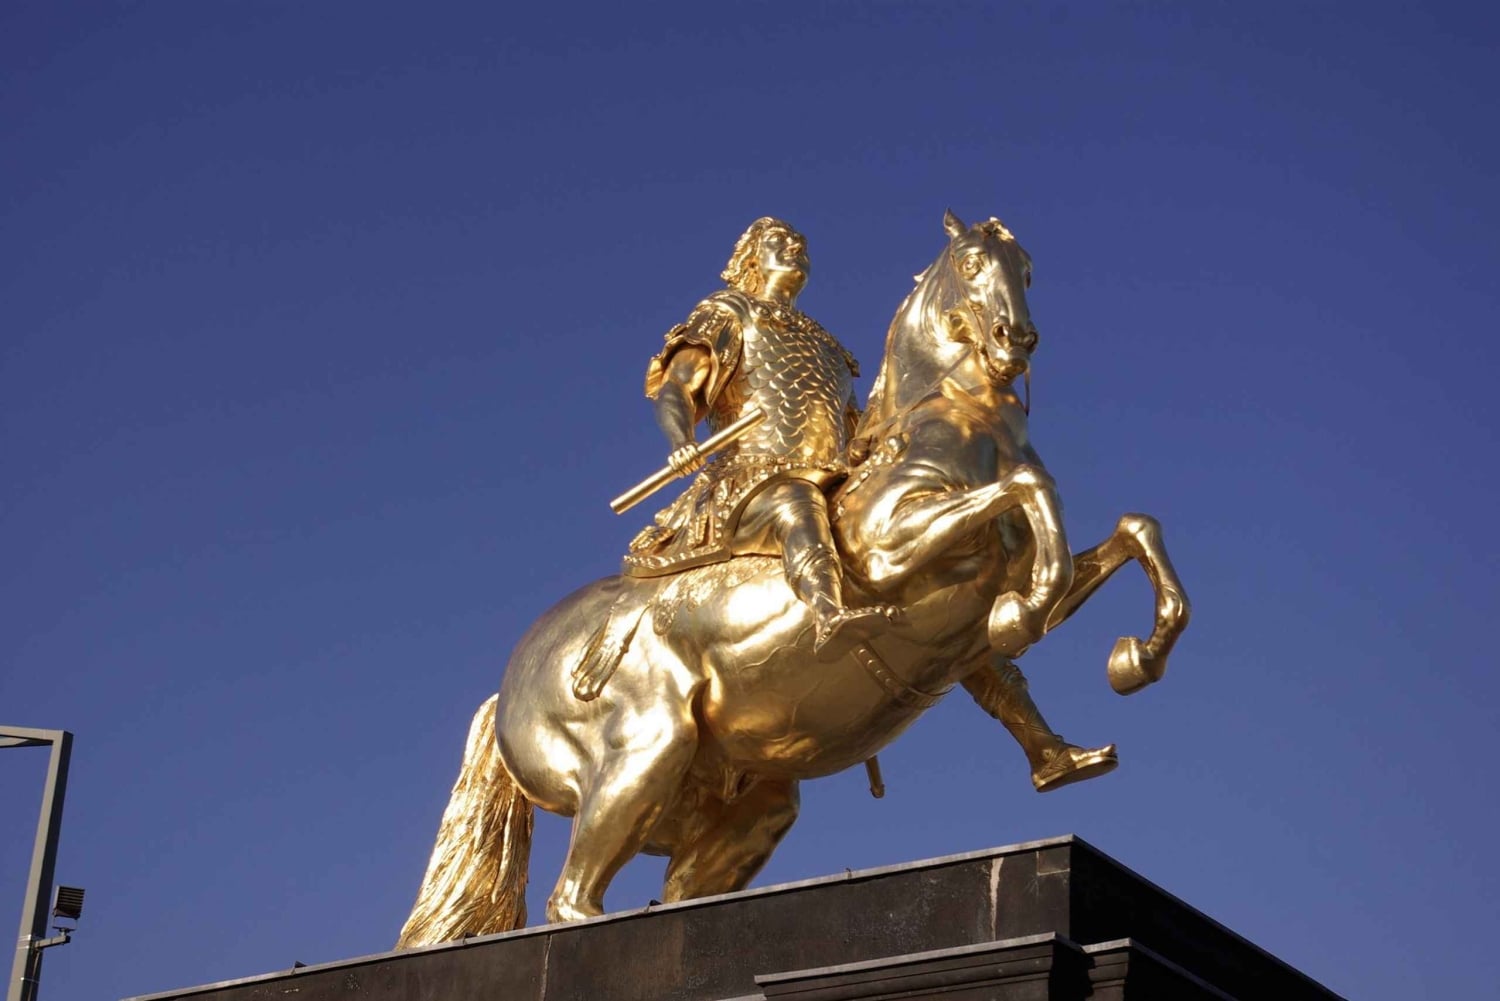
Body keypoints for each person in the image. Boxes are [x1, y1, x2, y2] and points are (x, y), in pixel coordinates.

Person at [624, 217, 894, 655]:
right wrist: (681, 440)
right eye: (779, 241)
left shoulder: (829, 346)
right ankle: (829, 613)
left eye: (800, 243)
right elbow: (678, 387)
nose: (795, 247)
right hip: (751, 479)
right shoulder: (729, 312)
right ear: (751, 260)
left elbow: (853, 426)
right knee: (795, 503)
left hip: (831, 476)